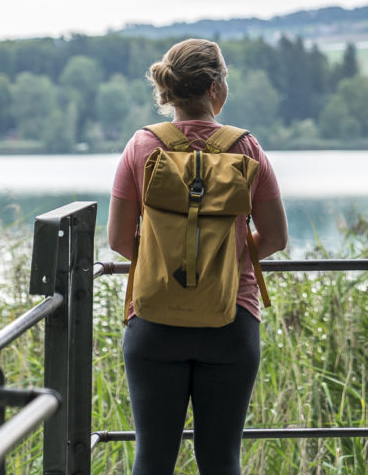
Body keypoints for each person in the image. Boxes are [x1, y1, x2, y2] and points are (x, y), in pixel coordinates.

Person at [108, 39, 288, 475]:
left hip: (153, 322)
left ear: (169, 91)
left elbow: (118, 239)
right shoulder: (246, 148)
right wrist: (226, 265)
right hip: (231, 323)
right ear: (214, 88)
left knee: (151, 461)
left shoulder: (142, 146)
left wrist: (165, 266)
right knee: (221, 461)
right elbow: (277, 237)